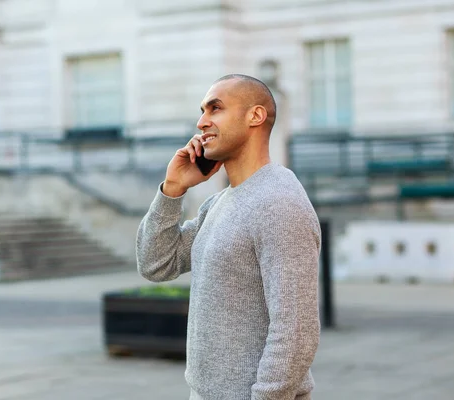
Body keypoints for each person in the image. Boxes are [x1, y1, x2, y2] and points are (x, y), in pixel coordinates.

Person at [136, 74, 321, 400]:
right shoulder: (220, 202)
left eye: (215, 109)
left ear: (255, 116)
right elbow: (155, 264)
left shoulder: (279, 203)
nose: (201, 121)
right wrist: (173, 189)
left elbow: (296, 330)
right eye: (203, 111)